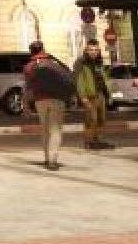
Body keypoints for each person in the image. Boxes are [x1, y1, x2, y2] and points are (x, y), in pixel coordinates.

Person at [23, 40, 76, 171]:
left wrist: (26, 106)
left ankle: (47, 158)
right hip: (57, 99)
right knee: (55, 130)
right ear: (42, 49)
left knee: (45, 129)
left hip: (39, 100)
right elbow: (67, 77)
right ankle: (52, 160)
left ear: (31, 51)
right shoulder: (53, 62)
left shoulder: (28, 66)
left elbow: (28, 87)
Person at [73, 39, 115, 150]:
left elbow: (104, 79)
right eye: (91, 50)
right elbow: (79, 81)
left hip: (100, 95)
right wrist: (83, 97)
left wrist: (108, 95)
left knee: (101, 120)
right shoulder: (81, 63)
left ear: (99, 50)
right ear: (86, 50)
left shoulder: (99, 62)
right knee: (91, 120)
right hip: (89, 96)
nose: (93, 52)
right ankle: (88, 142)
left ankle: (98, 140)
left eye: (96, 50)